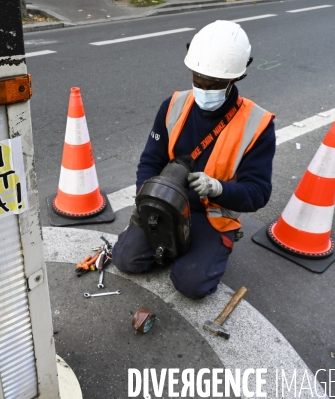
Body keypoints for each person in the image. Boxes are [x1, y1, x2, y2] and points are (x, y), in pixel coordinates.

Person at [112, 20, 276, 299]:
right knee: (126, 260)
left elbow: (258, 192)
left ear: (235, 78)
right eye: (197, 78)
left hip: (211, 216)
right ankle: (176, 248)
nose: (202, 87)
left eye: (212, 83)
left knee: (192, 285)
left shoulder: (257, 124)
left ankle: (202, 251)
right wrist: (148, 200)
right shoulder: (174, 105)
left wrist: (219, 189)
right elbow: (150, 162)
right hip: (167, 207)